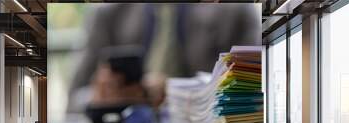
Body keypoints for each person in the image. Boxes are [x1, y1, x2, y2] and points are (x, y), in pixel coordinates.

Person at [67, 3, 261, 113]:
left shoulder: (237, 12)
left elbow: (253, 92)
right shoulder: (106, 15)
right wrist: (96, 98)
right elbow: (74, 99)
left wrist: (174, 91)